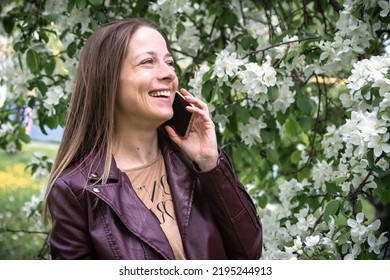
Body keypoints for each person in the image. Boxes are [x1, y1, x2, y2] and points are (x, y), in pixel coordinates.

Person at [43, 18, 262, 260]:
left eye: (169, 62)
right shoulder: (77, 191)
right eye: (148, 61)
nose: (169, 73)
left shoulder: (194, 165)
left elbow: (248, 253)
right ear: (108, 80)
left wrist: (210, 164)